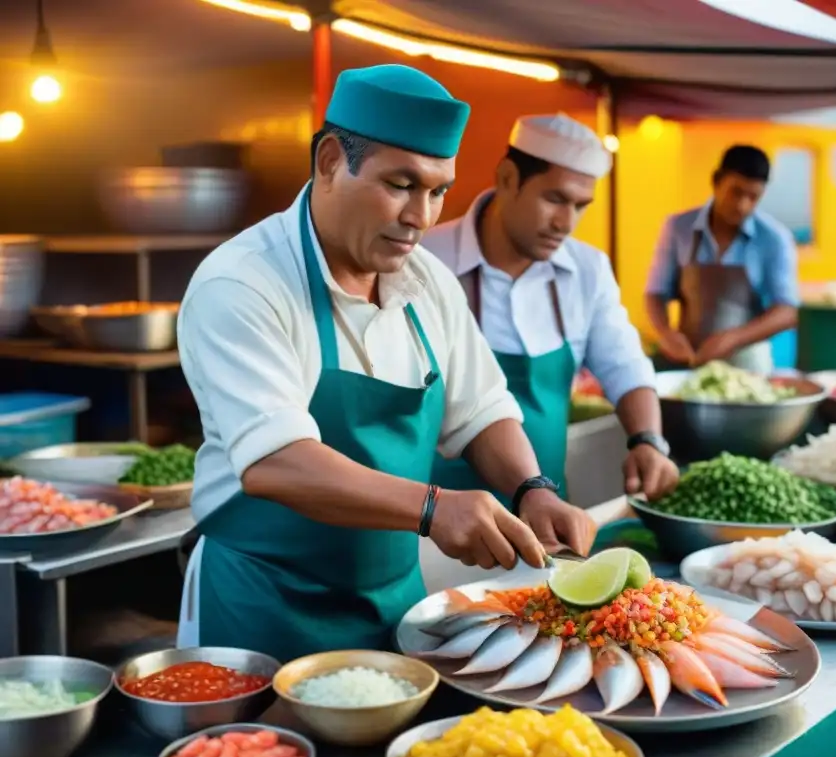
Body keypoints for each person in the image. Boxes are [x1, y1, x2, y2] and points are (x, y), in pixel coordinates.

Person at [173, 65, 594, 662]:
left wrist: (533, 490)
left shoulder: (427, 282)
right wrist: (435, 506)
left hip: (396, 606)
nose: (421, 216)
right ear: (327, 162)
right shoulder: (243, 283)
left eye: (438, 190)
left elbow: (481, 411)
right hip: (262, 609)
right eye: (400, 184)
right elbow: (276, 463)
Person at [422, 114, 679, 505]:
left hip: (546, 514)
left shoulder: (587, 271)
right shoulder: (424, 260)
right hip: (437, 520)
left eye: (581, 206)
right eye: (555, 198)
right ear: (508, 177)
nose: (566, 222)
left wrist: (647, 439)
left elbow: (625, 364)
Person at [644, 145, 799, 375]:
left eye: (753, 197)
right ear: (716, 182)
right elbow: (656, 292)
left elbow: (787, 311)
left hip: (748, 367)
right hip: (687, 358)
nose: (742, 205)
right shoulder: (678, 227)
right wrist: (666, 333)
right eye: (735, 192)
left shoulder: (775, 239)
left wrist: (733, 338)